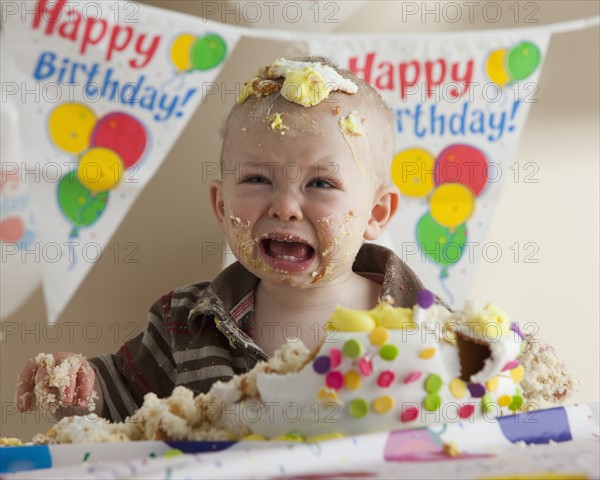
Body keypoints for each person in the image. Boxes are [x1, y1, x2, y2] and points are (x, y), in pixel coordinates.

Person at [15, 56, 437, 422]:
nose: (285, 207)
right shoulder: (185, 323)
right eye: (257, 178)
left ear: (376, 213)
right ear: (221, 205)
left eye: (321, 182)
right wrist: (81, 387)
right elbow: (120, 404)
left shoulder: (424, 327)